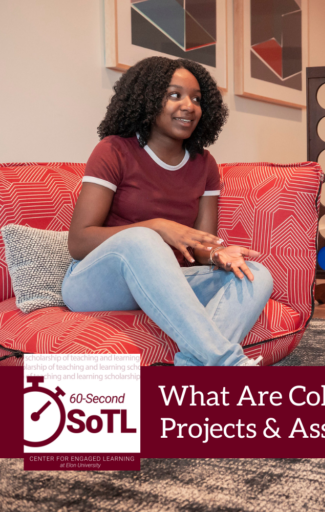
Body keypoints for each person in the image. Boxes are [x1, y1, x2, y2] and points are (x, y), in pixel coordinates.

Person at [63, 57, 273, 367]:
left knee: (254, 275)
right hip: (95, 284)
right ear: (147, 99)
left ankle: (194, 368)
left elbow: (200, 244)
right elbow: (78, 241)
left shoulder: (204, 164)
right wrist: (157, 227)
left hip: (168, 282)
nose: (189, 105)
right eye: (175, 95)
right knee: (143, 239)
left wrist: (217, 254)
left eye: (197, 99)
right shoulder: (114, 150)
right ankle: (230, 364)